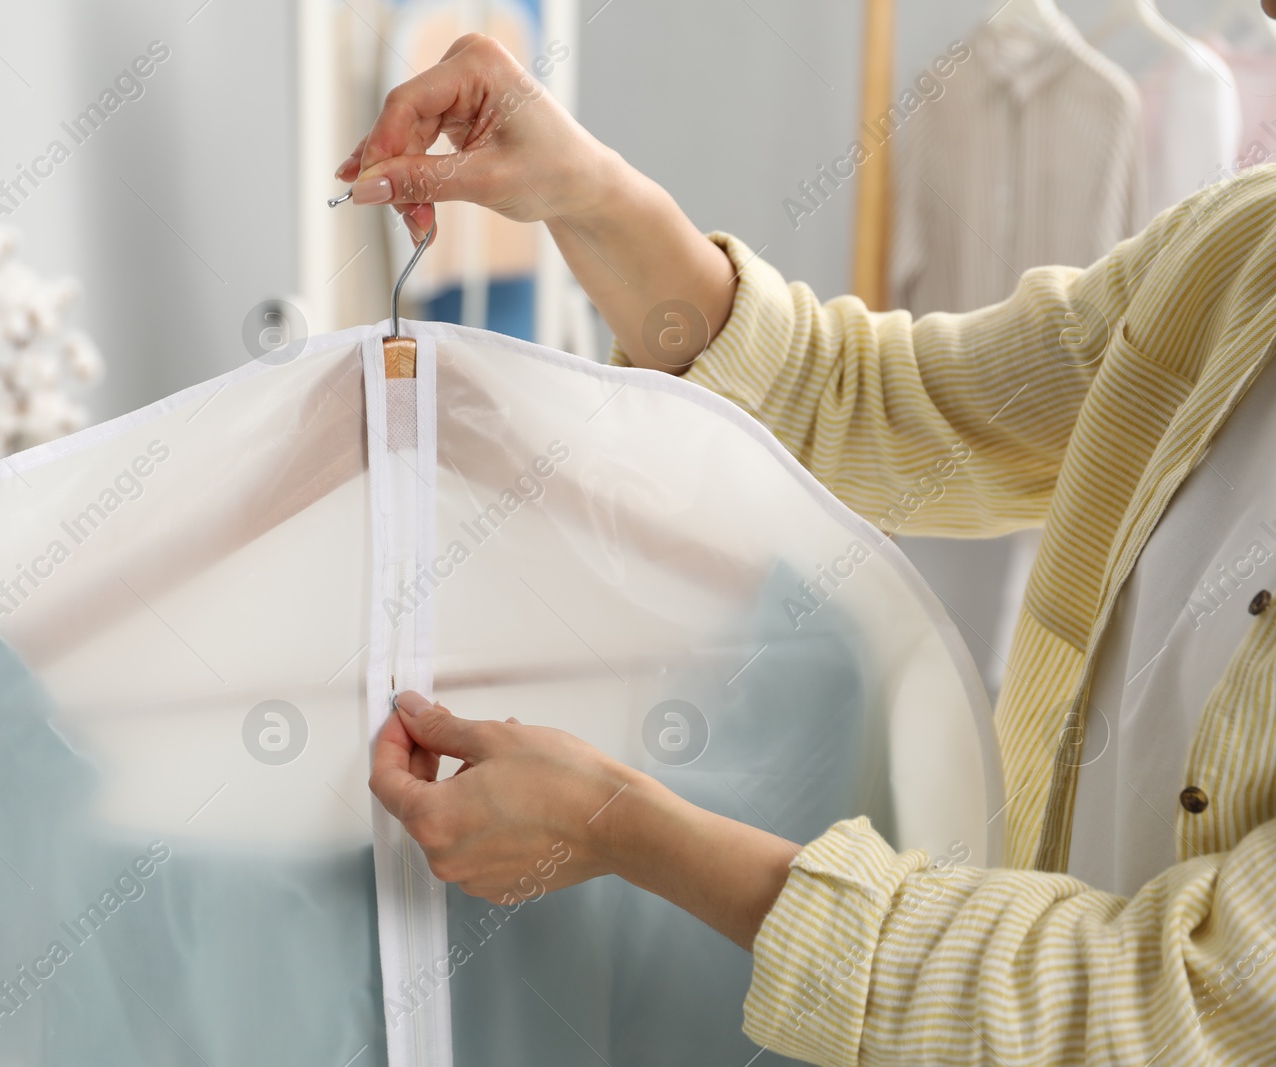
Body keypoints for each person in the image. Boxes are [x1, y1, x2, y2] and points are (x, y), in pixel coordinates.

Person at [340, 11, 1276, 1067]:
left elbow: (1187, 1002)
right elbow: (884, 407)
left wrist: (628, 828)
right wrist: (593, 194)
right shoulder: (1242, 254)